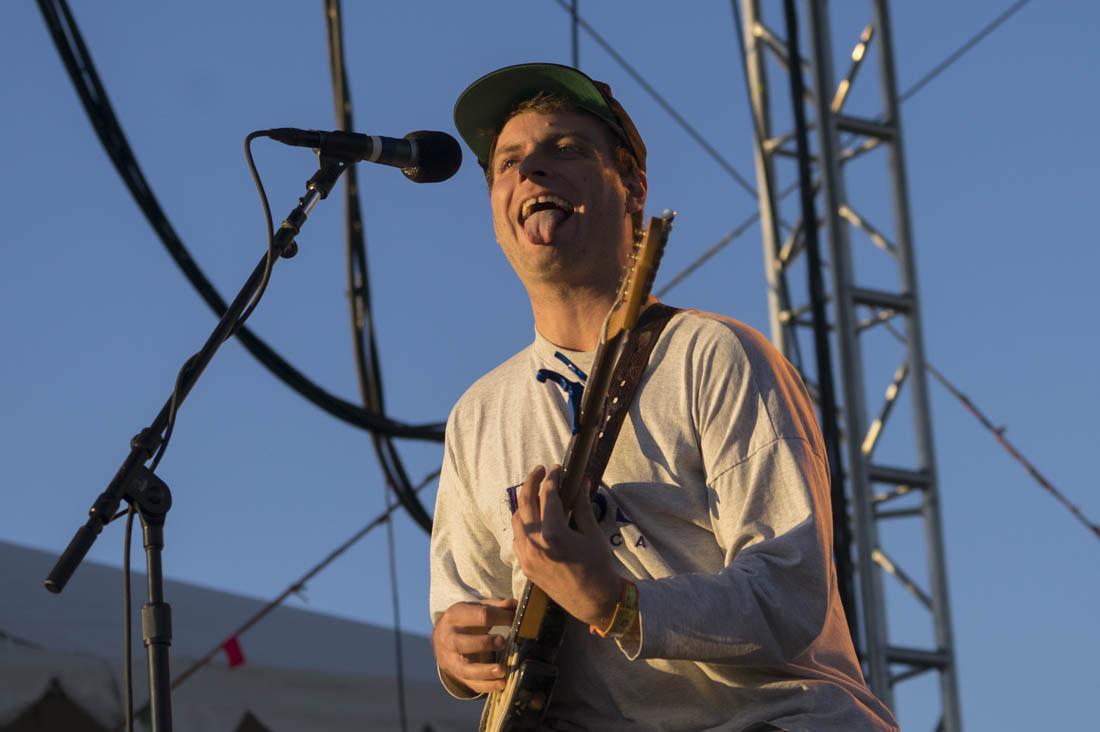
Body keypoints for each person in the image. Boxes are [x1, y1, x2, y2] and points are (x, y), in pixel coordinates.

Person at [429, 62, 899, 732]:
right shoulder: (476, 417)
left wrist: (617, 604)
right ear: (495, 208)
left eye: (567, 150)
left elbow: (788, 592)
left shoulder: (714, 354)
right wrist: (456, 650)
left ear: (633, 190)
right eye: (510, 161)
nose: (533, 171)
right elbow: (465, 603)